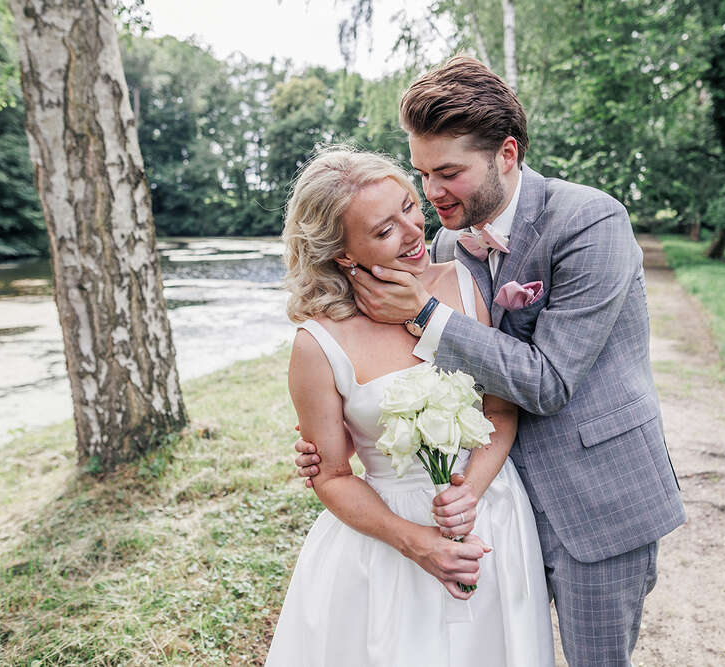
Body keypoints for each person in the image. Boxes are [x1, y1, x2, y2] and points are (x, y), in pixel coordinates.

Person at [294, 56, 686, 665]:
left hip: (596, 497)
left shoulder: (592, 221)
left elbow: (548, 381)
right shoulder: (447, 242)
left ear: (506, 153)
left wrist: (424, 315)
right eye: (422, 174)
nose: (430, 196)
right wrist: (341, 438)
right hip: (497, 509)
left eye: (447, 173)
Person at [265, 147, 556, 666]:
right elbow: (330, 474)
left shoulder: (462, 285)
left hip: (491, 515)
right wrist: (417, 543)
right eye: (383, 231)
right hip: (388, 540)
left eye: (407, 206)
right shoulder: (317, 343)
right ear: (344, 254)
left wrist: (472, 492)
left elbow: (500, 411)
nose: (412, 230)